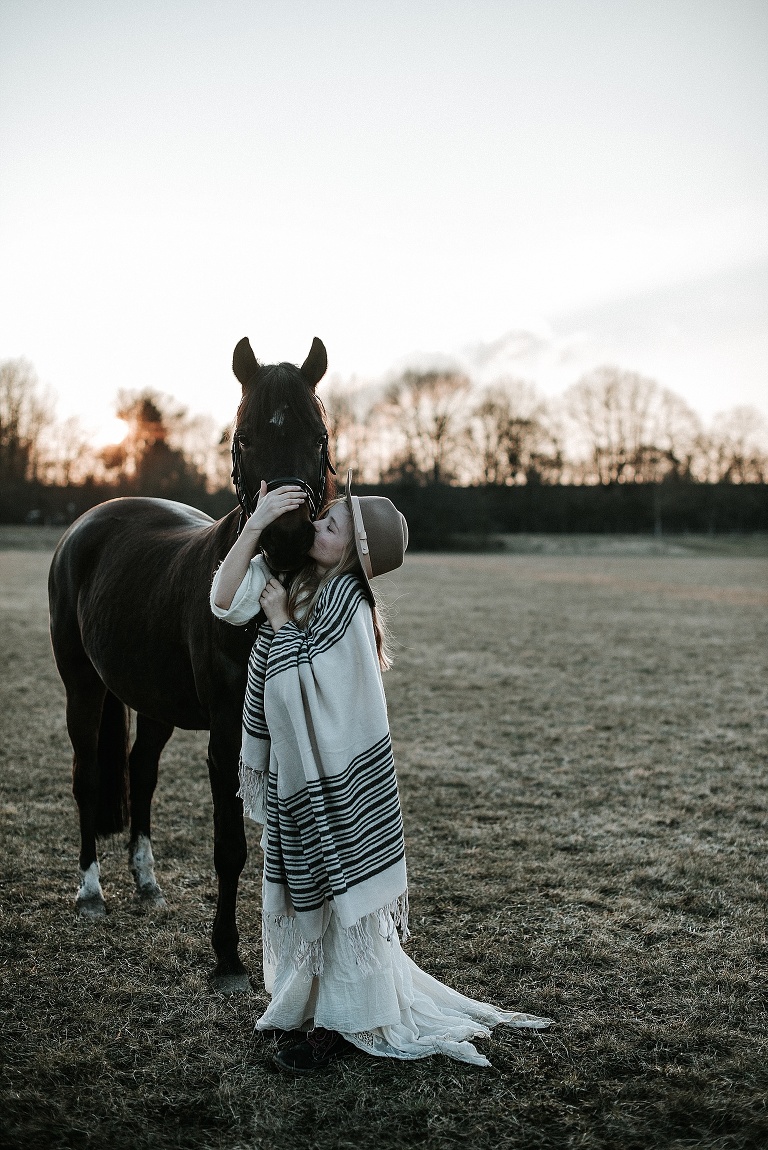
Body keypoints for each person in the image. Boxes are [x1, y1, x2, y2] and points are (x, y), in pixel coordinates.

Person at [211, 472, 550, 1074]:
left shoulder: (349, 606)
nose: (318, 523)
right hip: (301, 775)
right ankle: (316, 1005)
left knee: (344, 897)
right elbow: (222, 598)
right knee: (312, 889)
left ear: (354, 551)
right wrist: (258, 521)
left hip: (337, 779)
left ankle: (349, 1019)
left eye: (331, 524)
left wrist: (284, 628)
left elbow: (327, 697)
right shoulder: (294, 577)